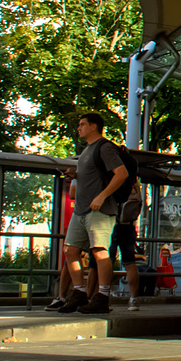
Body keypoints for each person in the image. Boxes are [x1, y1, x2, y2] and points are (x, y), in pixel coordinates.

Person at [51, 113, 129, 316]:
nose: (79, 128)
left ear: (94, 126)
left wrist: (102, 196)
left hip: (99, 209)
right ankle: (79, 291)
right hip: (82, 209)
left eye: (82, 124)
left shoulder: (105, 147)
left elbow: (122, 174)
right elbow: (95, 174)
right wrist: (76, 175)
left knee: (99, 251)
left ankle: (102, 296)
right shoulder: (87, 150)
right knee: (70, 250)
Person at [110, 188, 145, 311]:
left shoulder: (116, 180)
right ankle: (133, 298)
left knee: (107, 261)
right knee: (130, 263)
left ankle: (103, 295)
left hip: (114, 224)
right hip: (130, 226)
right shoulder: (135, 183)